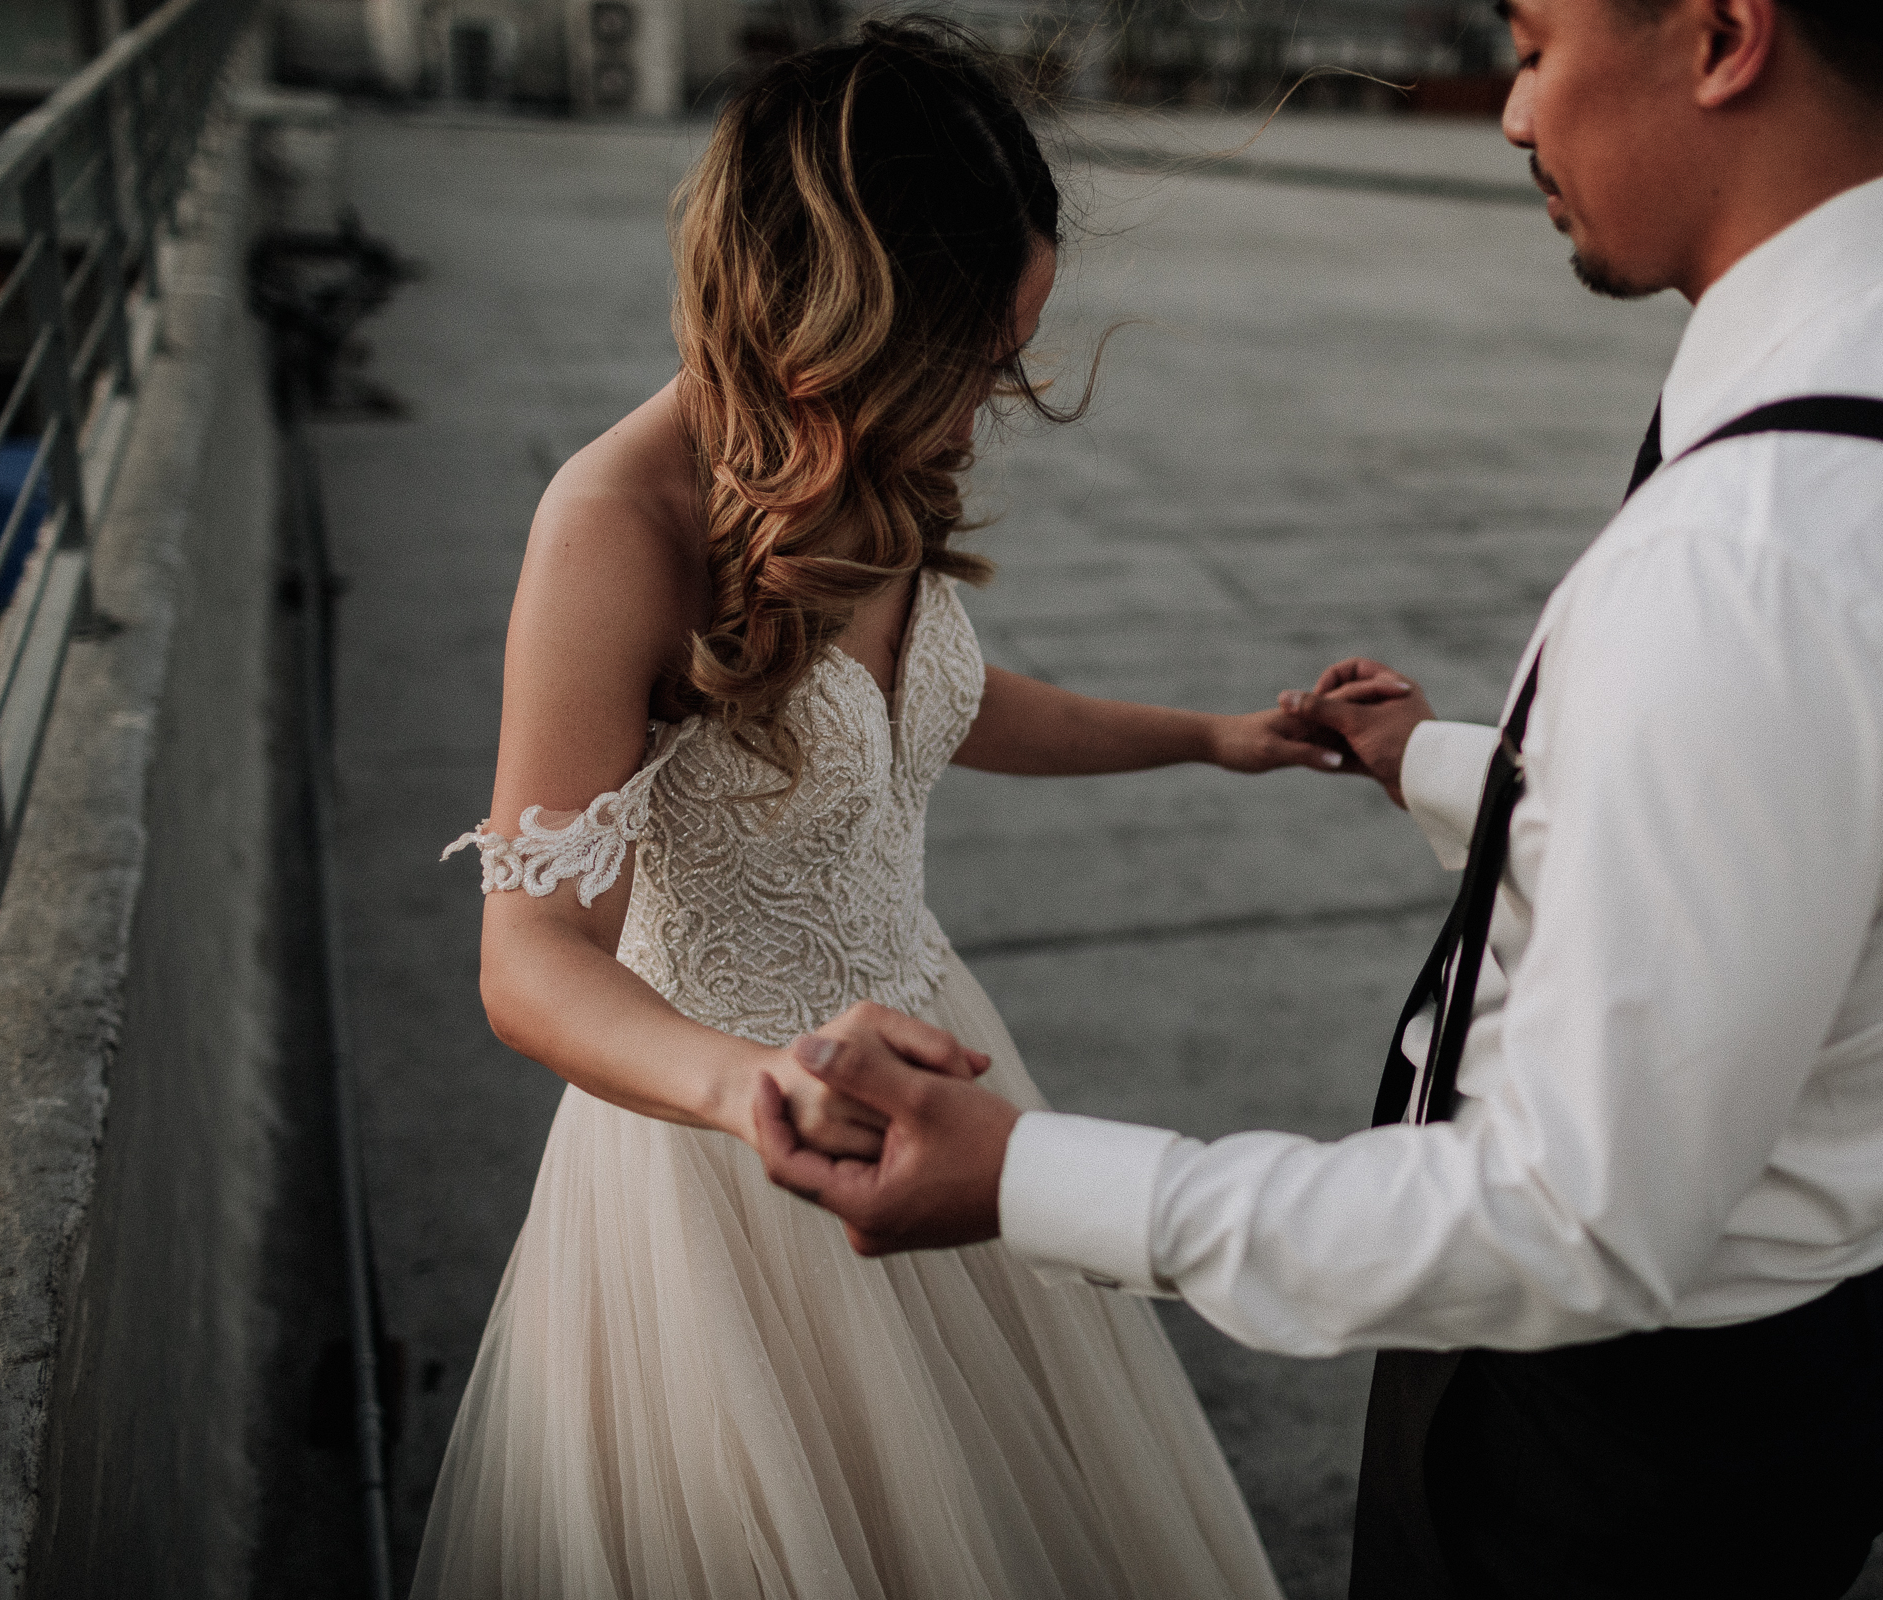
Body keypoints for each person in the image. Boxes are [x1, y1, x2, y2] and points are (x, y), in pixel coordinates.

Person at [753, 1, 1883, 1596]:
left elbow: (1570, 1217)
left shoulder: (1754, 553)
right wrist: (1437, 760)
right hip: (1856, 1308)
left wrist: (1028, 1175)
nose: (1513, 111)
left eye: (1539, 41)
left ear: (1726, 35)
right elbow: (1821, 844)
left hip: (1623, 1427)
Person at [413, 22, 1320, 1598]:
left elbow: (938, 703)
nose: (1005, 391)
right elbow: (531, 956)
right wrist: (752, 1088)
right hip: (724, 1161)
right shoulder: (615, 522)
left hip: (933, 1068)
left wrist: (1218, 738)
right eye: (978, 349)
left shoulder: (866, 451)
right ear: (858, 319)